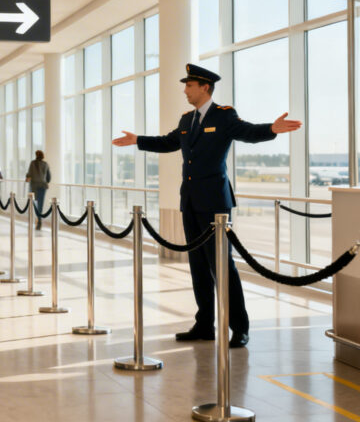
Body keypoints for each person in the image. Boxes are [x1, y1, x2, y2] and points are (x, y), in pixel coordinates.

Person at [113, 64, 301, 348]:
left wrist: (271, 129)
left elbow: (247, 131)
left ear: (205, 87)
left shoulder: (224, 116)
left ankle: (240, 327)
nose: (185, 90)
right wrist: (138, 140)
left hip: (215, 205)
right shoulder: (187, 120)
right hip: (189, 202)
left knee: (223, 266)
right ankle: (204, 325)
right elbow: (168, 143)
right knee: (198, 266)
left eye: (189, 85)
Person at [25, 151, 51, 230]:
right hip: (43, 186)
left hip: (34, 186)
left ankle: (37, 220)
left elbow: (29, 174)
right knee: (40, 204)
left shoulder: (33, 163)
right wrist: (45, 181)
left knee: (35, 203)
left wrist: (28, 177)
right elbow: (49, 177)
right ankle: (39, 220)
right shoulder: (45, 164)